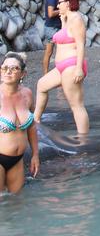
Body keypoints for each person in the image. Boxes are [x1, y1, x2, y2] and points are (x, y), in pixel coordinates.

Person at [35, 0, 89, 134]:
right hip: (62, 67)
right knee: (41, 85)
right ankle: (35, 121)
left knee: (76, 105)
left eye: (60, 3)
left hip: (72, 66)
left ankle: (83, 139)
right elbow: (65, 36)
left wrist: (79, 68)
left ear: (68, 2)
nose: (58, 6)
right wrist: (62, 20)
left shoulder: (77, 19)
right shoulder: (68, 18)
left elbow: (80, 44)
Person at [0, 52, 39, 193]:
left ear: (23, 74)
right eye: (4, 68)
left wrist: (35, 154)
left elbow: (32, 127)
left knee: (16, 204)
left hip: (17, 160)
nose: (8, 71)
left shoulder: (27, 94)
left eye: (14, 68)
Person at [42, 0, 65, 75]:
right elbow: (50, 14)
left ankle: (46, 73)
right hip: (52, 29)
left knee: (49, 52)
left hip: (52, 28)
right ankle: (56, 73)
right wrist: (62, 10)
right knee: (59, 51)